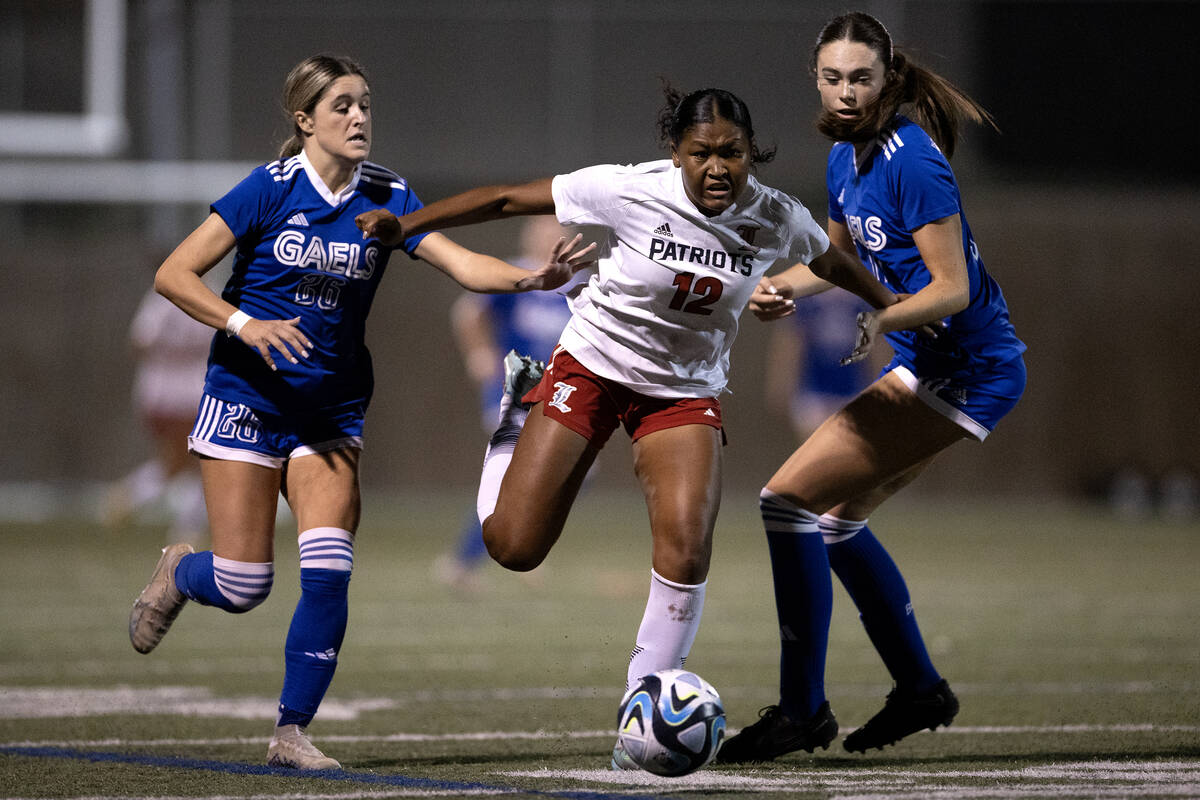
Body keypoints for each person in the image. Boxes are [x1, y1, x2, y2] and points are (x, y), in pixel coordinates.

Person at [356, 85, 906, 770]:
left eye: (731, 153)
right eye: (700, 152)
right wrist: (405, 226)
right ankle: (518, 412)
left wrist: (895, 307)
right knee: (513, 546)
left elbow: (833, 260)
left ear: (749, 154)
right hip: (591, 368)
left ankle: (638, 714)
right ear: (675, 153)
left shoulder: (774, 216)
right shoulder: (628, 189)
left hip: (682, 394)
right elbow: (504, 199)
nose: (715, 167)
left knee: (686, 549)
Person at [126, 54, 593, 771]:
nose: (358, 118)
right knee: (244, 583)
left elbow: (464, 265)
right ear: (305, 119)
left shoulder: (388, 195)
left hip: (332, 411)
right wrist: (245, 326)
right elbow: (173, 275)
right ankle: (181, 572)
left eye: (366, 104)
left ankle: (291, 735)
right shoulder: (268, 190)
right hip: (248, 398)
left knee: (329, 568)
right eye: (341, 106)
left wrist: (533, 278)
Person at [717, 11, 1027, 762]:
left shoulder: (910, 159)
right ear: (815, 78)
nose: (846, 91)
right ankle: (920, 688)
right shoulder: (843, 160)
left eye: (861, 77)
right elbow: (839, 262)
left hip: (967, 370)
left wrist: (885, 320)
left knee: (786, 501)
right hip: (936, 367)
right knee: (833, 524)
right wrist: (779, 285)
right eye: (833, 77)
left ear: (886, 79)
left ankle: (801, 711)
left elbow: (952, 289)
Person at [434, 216, 583, 590]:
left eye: (556, 235)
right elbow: (468, 313)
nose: (550, 241)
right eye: (543, 234)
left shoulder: (578, 285)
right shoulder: (514, 274)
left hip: (562, 391)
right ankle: (464, 561)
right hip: (518, 385)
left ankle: (523, 548)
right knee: (514, 475)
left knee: (569, 476)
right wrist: (479, 353)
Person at [102, 281, 212, 545]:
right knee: (194, 460)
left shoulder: (163, 297)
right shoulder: (184, 296)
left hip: (163, 394)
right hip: (182, 393)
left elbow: (139, 342)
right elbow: (141, 342)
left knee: (198, 461)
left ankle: (183, 526)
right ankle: (135, 498)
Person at [764, 287, 883, 444]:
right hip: (813, 393)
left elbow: (878, 347)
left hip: (853, 390)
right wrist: (780, 385)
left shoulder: (863, 301)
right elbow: (790, 344)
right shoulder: (806, 301)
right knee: (812, 449)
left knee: (848, 451)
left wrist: (881, 387)